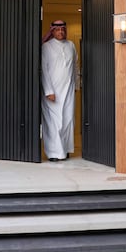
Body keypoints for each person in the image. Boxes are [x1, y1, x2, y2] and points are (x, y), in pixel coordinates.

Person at [41, 19, 78, 162]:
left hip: (68, 90)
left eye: (63, 29)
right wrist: (48, 90)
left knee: (68, 120)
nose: (61, 32)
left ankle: (65, 149)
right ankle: (54, 153)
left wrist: (76, 86)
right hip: (52, 91)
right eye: (57, 30)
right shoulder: (46, 47)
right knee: (54, 122)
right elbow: (44, 70)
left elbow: (75, 66)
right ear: (52, 31)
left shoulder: (71, 45)